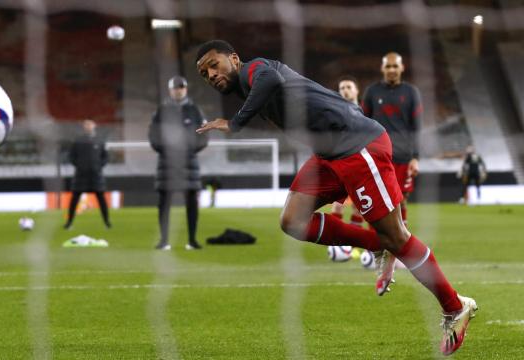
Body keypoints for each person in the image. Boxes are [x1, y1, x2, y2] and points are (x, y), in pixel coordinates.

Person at [195, 40, 476, 356]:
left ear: (233, 58)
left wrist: (234, 124)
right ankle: (377, 246)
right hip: (328, 155)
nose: (210, 74)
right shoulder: (250, 86)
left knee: (397, 236)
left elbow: (270, 79)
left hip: (358, 147)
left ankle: (455, 307)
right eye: (204, 74)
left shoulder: (254, 70)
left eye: (213, 64)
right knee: (293, 220)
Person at [361, 52, 423, 290]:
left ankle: (398, 252)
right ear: (382, 68)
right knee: (375, 204)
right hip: (376, 156)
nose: (391, 70)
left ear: (402, 67)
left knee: (400, 202)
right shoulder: (372, 92)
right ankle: (376, 250)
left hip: (402, 157)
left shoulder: (411, 93)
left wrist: (416, 158)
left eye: (395, 66)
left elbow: (416, 129)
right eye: (388, 66)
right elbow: (362, 121)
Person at [149, 75, 209, 250]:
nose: (178, 90)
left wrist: (190, 150)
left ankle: (192, 240)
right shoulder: (161, 110)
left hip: (189, 163)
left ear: (185, 89)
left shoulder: (195, 110)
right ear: (170, 90)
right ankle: (164, 240)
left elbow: (204, 134)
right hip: (166, 164)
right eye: (175, 88)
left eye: (181, 87)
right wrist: (165, 151)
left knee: (192, 202)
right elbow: (153, 134)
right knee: (164, 203)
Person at [64, 119, 111, 230]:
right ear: (83, 127)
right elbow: (71, 156)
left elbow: (106, 157)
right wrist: (79, 166)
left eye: (90, 124)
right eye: (86, 125)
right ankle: (69, 222)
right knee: (75, 199)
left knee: (101, 198)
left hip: (96, 175)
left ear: (94, 126)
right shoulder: (78, 141)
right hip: (81, 175)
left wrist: (98, 166)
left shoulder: (100, 141)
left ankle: (107, 222)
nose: (88, 126)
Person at [331, 76, 365, 228]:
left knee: (359, 208)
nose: (345, 90)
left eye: (348, 87)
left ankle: (355, 244)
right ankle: (336, 244)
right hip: (341, 166)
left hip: (359, 167)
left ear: (357, 91)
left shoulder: (364, 114)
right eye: (342, 88)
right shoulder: (335, 113)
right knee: (338, 205)